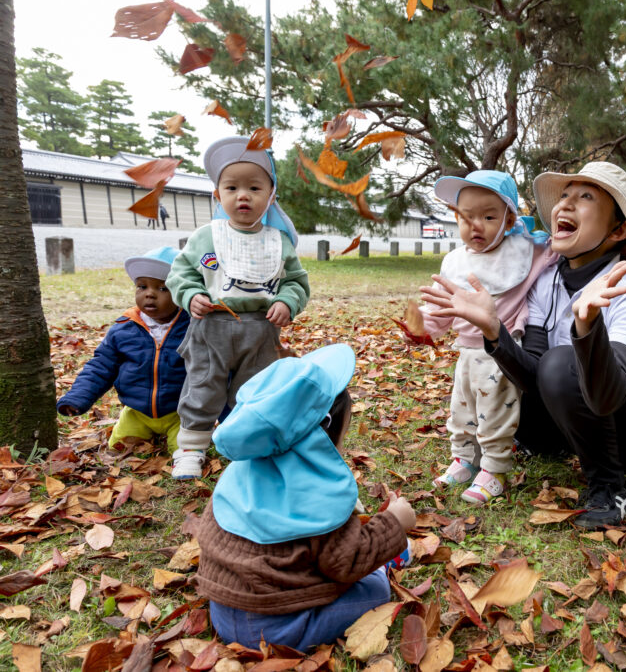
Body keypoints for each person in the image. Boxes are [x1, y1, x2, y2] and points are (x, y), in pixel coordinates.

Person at [421, 162, 626, 528]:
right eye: (564, 196)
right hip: (576, 414)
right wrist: (494, 329)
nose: (564, 205)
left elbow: (608, 395)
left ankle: (610, 486)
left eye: (585, 197)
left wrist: (587, 326)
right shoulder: (548, 282)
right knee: (514, 369)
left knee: (561, 362)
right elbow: (533, 373)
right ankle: (538, 445)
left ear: (619, 228)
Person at [193, 343, 416, 651]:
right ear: (319, 438)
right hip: (278, 629)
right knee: (376, 589)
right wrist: (394, 523)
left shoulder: (240, 471)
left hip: (223, 608)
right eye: (340, 440)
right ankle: (386, 564)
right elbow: (345, 563)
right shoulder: (318, 495)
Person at [166, 137, 310, 480]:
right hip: (210, 327)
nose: (242, 195)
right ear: (218, 195)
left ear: (270, 195)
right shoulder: (206, 236)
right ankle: (191, 447)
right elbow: (181, 273)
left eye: (254, 187)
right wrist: (190, 295)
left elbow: (296, 282)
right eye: (231, 187)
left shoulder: (279, 241)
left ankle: (247, 443)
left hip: (261, 330)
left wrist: (286, 302)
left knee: (256, 388)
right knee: (202, 385)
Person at [413, 170, 556, 504]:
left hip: (501, 353)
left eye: (489, 216)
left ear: (508, 221)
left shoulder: (524, 252)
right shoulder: (455, 262)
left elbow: (557, 248)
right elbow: (440, 308)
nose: (476, 225)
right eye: (467, 217)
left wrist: (541, 238)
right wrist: (420, 325)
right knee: (461, 409)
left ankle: (494, 469)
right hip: (465, 352)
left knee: (495, 413)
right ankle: (464, 458)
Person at [57, 247, 188, 453]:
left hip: (181, 413)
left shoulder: (192, 328)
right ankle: (137, 432)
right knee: (118, 451)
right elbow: (101, 366)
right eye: (142, 287)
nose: (150, 295)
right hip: (136, 412)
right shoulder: (124, 329)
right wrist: (78, 397)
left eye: (163, 288)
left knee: (187, 453)